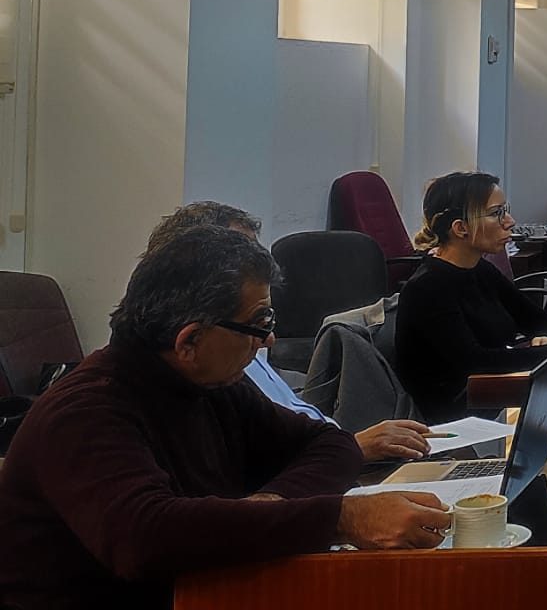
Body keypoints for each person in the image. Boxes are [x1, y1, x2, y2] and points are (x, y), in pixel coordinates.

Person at [0, 227, 453, 610]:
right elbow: (145, 537)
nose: (269, 340)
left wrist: (268, 506)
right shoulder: (85, 412)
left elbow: (331, 445)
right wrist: (340, 518)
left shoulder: (211, 383)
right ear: (189, 341)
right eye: (259, 322)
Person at [145, 201, 437, 463]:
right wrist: (353, 450)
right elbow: (259, 469)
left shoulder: (241, 346)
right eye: (242, 259)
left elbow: (292, 431)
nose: (269, 339)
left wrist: (347, 446)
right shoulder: (214, 363)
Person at [394, 171, 547, 423]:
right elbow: (475, 363)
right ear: (460, 228)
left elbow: (539, 319)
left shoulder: (480, 269)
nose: (509, 221)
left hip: (495, 400)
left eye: (505, 210)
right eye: (496, 213)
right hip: (456, 421)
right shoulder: (427, 287)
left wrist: (545, 338)